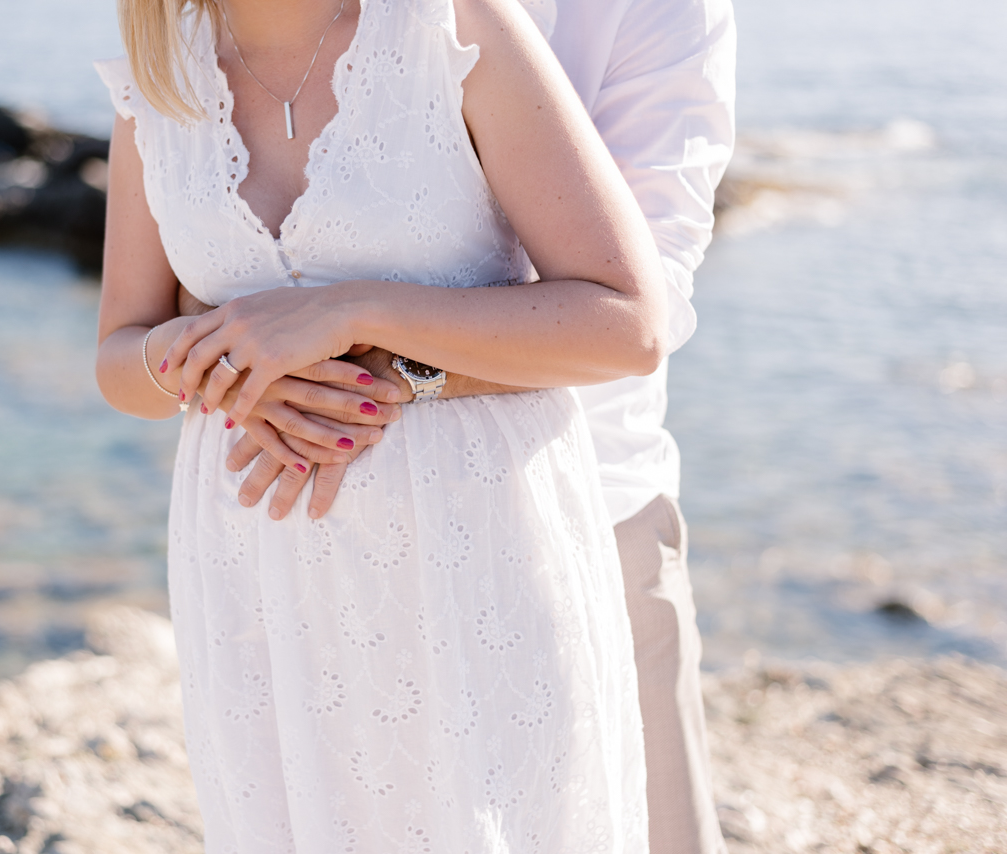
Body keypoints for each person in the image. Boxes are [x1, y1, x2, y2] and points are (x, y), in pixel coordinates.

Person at [96, 0, 673, 848]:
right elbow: (121, 359)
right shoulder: (157, 77)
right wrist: (209, 360)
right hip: (261, 582)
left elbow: (627, 324)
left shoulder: (452, 27)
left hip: (474, 556)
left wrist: (356, 316)